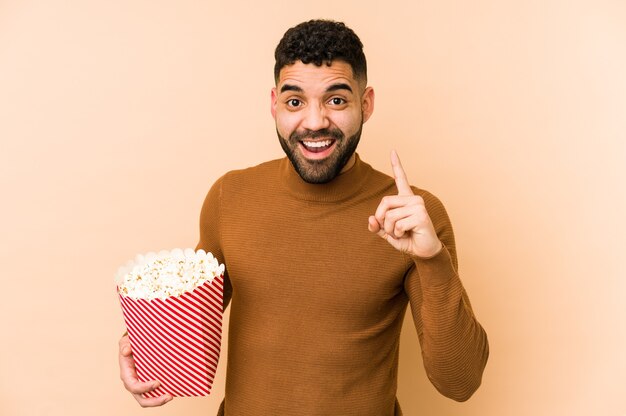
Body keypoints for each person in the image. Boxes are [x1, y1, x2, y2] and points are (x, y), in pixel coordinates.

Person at [119, 19, 489, 415]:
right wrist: (142, 351)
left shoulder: (412, 217)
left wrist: (433, 261)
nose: (314, 122)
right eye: (295, 102)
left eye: (336, 100)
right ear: (274, 103)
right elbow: (187, 322)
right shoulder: (230, 196)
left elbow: (460, 382)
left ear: (366, 104)